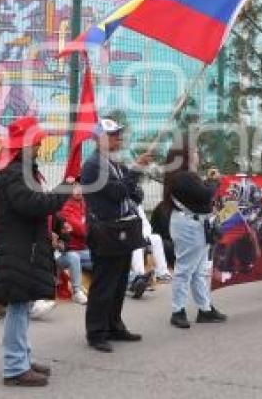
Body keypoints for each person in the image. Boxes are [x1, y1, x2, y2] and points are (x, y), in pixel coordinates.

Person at [0, 116, 70, 387]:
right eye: (36, 142)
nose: (40, 146)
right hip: (17, 250)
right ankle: (15, 367)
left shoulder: (18, 170)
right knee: (17, 307)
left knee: (22, 306)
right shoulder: (14, 173)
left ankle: (22, 359)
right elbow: (34, 204)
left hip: (23, 248)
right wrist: (65, 189)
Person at [81, 118, 151, 353]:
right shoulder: (93, 166)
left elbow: (135, 194)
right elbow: (118, 191)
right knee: (104, 283)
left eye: (118, 134)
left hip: (121, 229)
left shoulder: (113, 163)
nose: (118, 138)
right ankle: (96, 332)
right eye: (113, 135)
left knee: (120, 281)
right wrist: (136, 170)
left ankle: (114, 325)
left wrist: (132, 178)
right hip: (105, 230)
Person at [166, 138, 227, 328]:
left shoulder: (188, 175)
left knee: (199, 272)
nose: (197, 154)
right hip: (188, 225)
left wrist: (209, 182)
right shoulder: (182, 176)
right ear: (183, 155)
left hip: (197, 225)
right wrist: (214, 182)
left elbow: (202, 197)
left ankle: (205, 308)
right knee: (184, 270)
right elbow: (205, 194)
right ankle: (178, 310)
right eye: (193, 151)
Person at [51, 207, 89, 305]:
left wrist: (61, 244)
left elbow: (67, 238)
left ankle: (77, 291)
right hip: (41, 256)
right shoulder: (35, 216)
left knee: (74, 256)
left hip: (57, 256)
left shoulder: (58, 217)